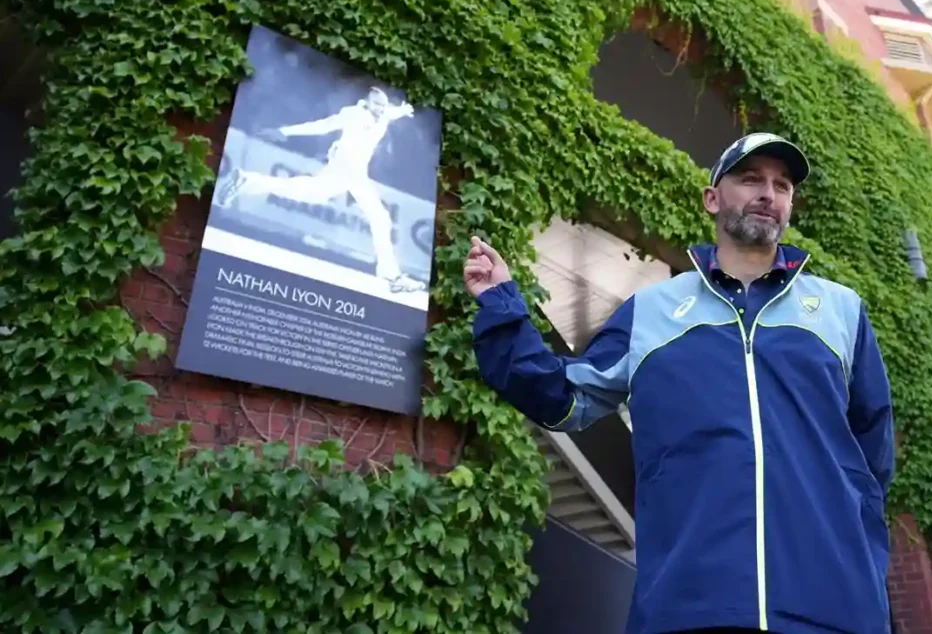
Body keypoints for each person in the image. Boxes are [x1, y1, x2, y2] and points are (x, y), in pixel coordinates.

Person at [464, 132, 895, 634]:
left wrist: (852, 545)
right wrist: (501, 306)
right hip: (688, 604)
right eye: (750, 178)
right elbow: (565, 398)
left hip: (830, 605)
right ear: (712, 198)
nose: (768, 194)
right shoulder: (651, 311)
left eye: (782, 185)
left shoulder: (841, 310)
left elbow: (872, 453)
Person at [222, 86, 423, 293]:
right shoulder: (353, 114)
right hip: (345, 169)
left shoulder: (384, 115)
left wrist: (402, 110)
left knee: (377, 216)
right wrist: (285, 131)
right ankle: (391, 275)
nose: (380, 108)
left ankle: (247, 181)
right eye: (376, 104)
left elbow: (392, 112)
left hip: (355, 174)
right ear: (367, 101)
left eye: (383, 105)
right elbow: (323, 125)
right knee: (375, 216)